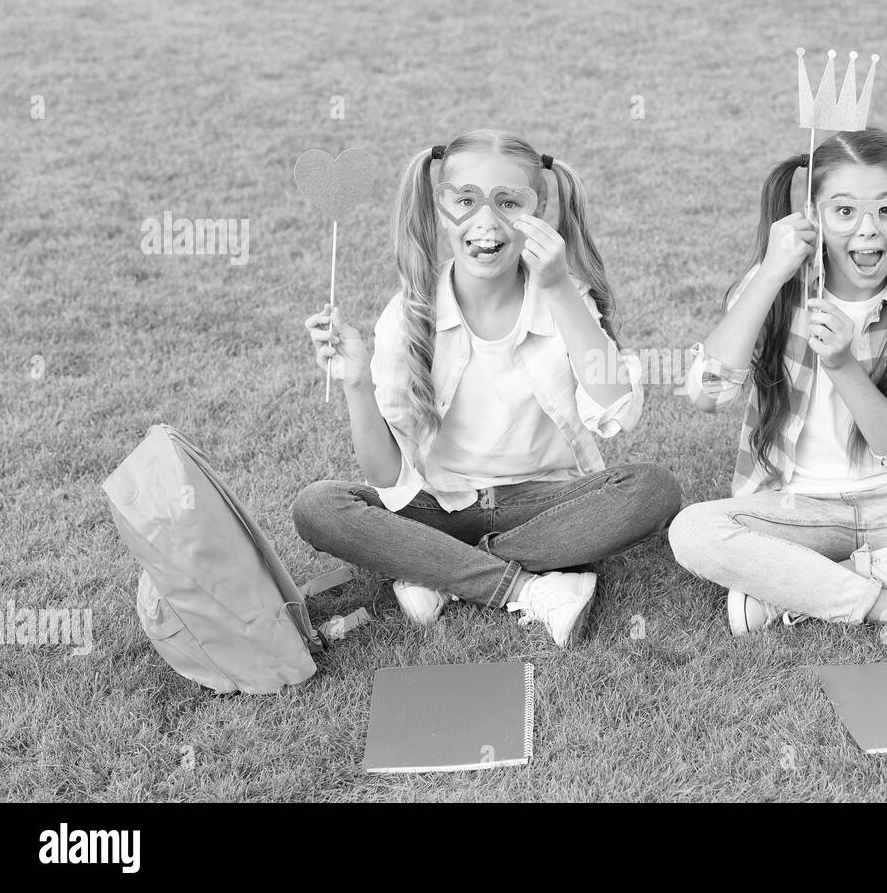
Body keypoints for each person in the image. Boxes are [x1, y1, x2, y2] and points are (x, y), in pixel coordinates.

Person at [292, 130, 682, 648]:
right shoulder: (409, 314)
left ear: (538, 211)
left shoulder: (566, 299)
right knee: (319, 506)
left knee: (654, 490)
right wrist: (357, 383)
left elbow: (617, 411)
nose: (486, 222)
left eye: (508, 202)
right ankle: (528, 587)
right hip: (438, 508)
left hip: (544, 506)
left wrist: (560, 287)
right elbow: (385, 476)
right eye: (466, 200)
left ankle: (439, 572)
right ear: (440, 206)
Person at [669, 128, 887, 642]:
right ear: (814, 215)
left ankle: (800, 590)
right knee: (693, 531)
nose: (868, 231)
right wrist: (769, 274)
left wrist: (842, 365)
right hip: (793, 509)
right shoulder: (775, 284)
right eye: (844, 211)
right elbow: (706, 394)